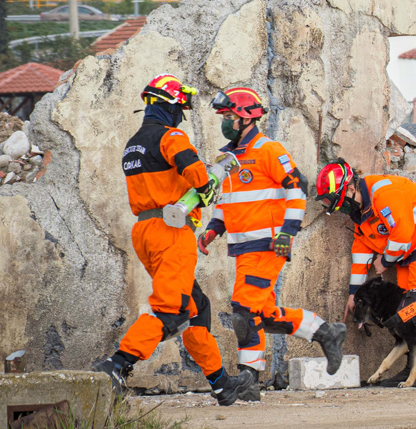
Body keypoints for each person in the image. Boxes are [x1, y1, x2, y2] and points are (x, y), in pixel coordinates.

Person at [95, 74, 251, 406]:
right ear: (171, 105)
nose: (182, 114)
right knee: (171, 310)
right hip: (172, 232)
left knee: (197, 307)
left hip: (145, 233)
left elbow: (159, 180)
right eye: (181, 107)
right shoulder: (172, 135)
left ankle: (221, 383)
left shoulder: (133, 143)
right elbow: (193, 171)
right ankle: (118, 363)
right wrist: (208, 182)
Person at [197, 87, 347, 402]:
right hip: (242, 246)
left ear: (246, 118)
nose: (224, 122)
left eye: (228, 116)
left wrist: (287, 232)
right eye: (223, 116)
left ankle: (249, 380)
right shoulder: (228, 157)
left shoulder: (269, 150)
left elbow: (297, 188)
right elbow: (228, 200)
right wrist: (213, 229)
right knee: (262, 315)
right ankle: (326, 334)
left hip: (268, 244)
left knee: (243, 311)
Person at [314, 160, 416, 387]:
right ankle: (413, 368)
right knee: (406, 308)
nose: (339, 209)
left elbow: (402, 232)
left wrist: (385, 261)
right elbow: (360, 256)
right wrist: (353, 295)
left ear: (349, 189)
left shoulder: (384, 193)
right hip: (411, 248)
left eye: (339, 203)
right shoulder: (361, 214)